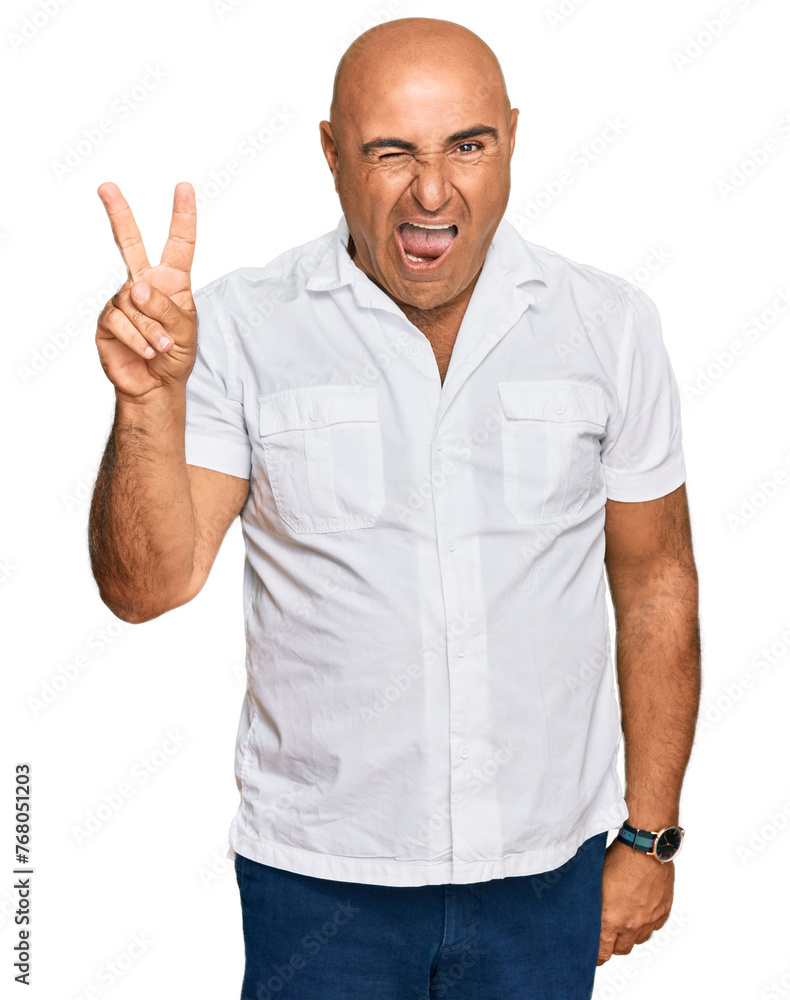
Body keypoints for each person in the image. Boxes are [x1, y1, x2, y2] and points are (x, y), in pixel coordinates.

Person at [88, 16, 701, 1000]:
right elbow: (146, 586)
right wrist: (146, 405)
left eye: (468, 144)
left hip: (547, 878)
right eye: (390, 151)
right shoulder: (242, 327)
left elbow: (655, 576)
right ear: (331, 154)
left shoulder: (609, 324)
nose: (432, 191)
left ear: (511, 135)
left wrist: (650, 832)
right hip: (322, 886)